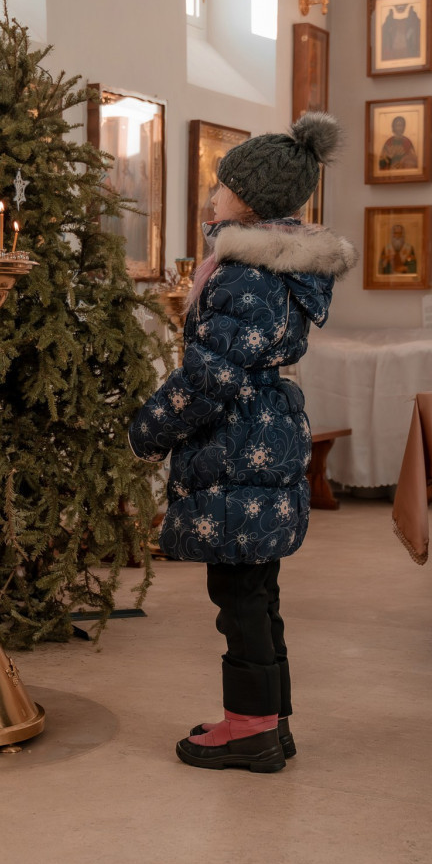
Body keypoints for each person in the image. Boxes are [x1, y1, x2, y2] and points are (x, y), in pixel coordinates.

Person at [128, 112, 356, 773]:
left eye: (222, 187)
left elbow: (211, 377)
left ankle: (251, 731)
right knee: (258, 592)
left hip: (238, 443)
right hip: (264, 430)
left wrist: (148, 428)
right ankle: (268, 721)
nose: (212, 196)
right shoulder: (278, 268)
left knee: (240, 599)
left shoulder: (244, 274)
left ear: (250, 201)